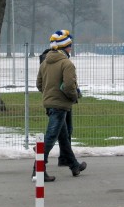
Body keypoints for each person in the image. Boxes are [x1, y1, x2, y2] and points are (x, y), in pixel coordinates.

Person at [34, 30, 86, 182]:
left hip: (50, 104)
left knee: (64, 136)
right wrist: (74, 96)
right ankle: (37, 171)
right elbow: (69, 85)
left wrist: (50, 94)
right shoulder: (67, 64)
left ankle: (73, 164)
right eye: (70, 46)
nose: (71, 49)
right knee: (49, 138)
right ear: (64, 47)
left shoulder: (44, 62)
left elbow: (39, 84)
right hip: (60, 105)